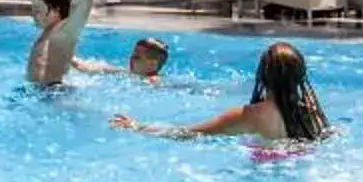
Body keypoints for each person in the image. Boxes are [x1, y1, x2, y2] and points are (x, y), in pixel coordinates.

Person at [113, 42, 333, 142]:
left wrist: (138, 127)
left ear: (262, 76)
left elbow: (187, 133)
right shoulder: (313, 113)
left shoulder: (251, 115)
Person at [75, 37, 169, 80]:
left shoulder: (153, 81)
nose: (131, 59)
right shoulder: (126, 73)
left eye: (136, 57)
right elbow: (86, 68)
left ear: (151, 65)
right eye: (132, 55)